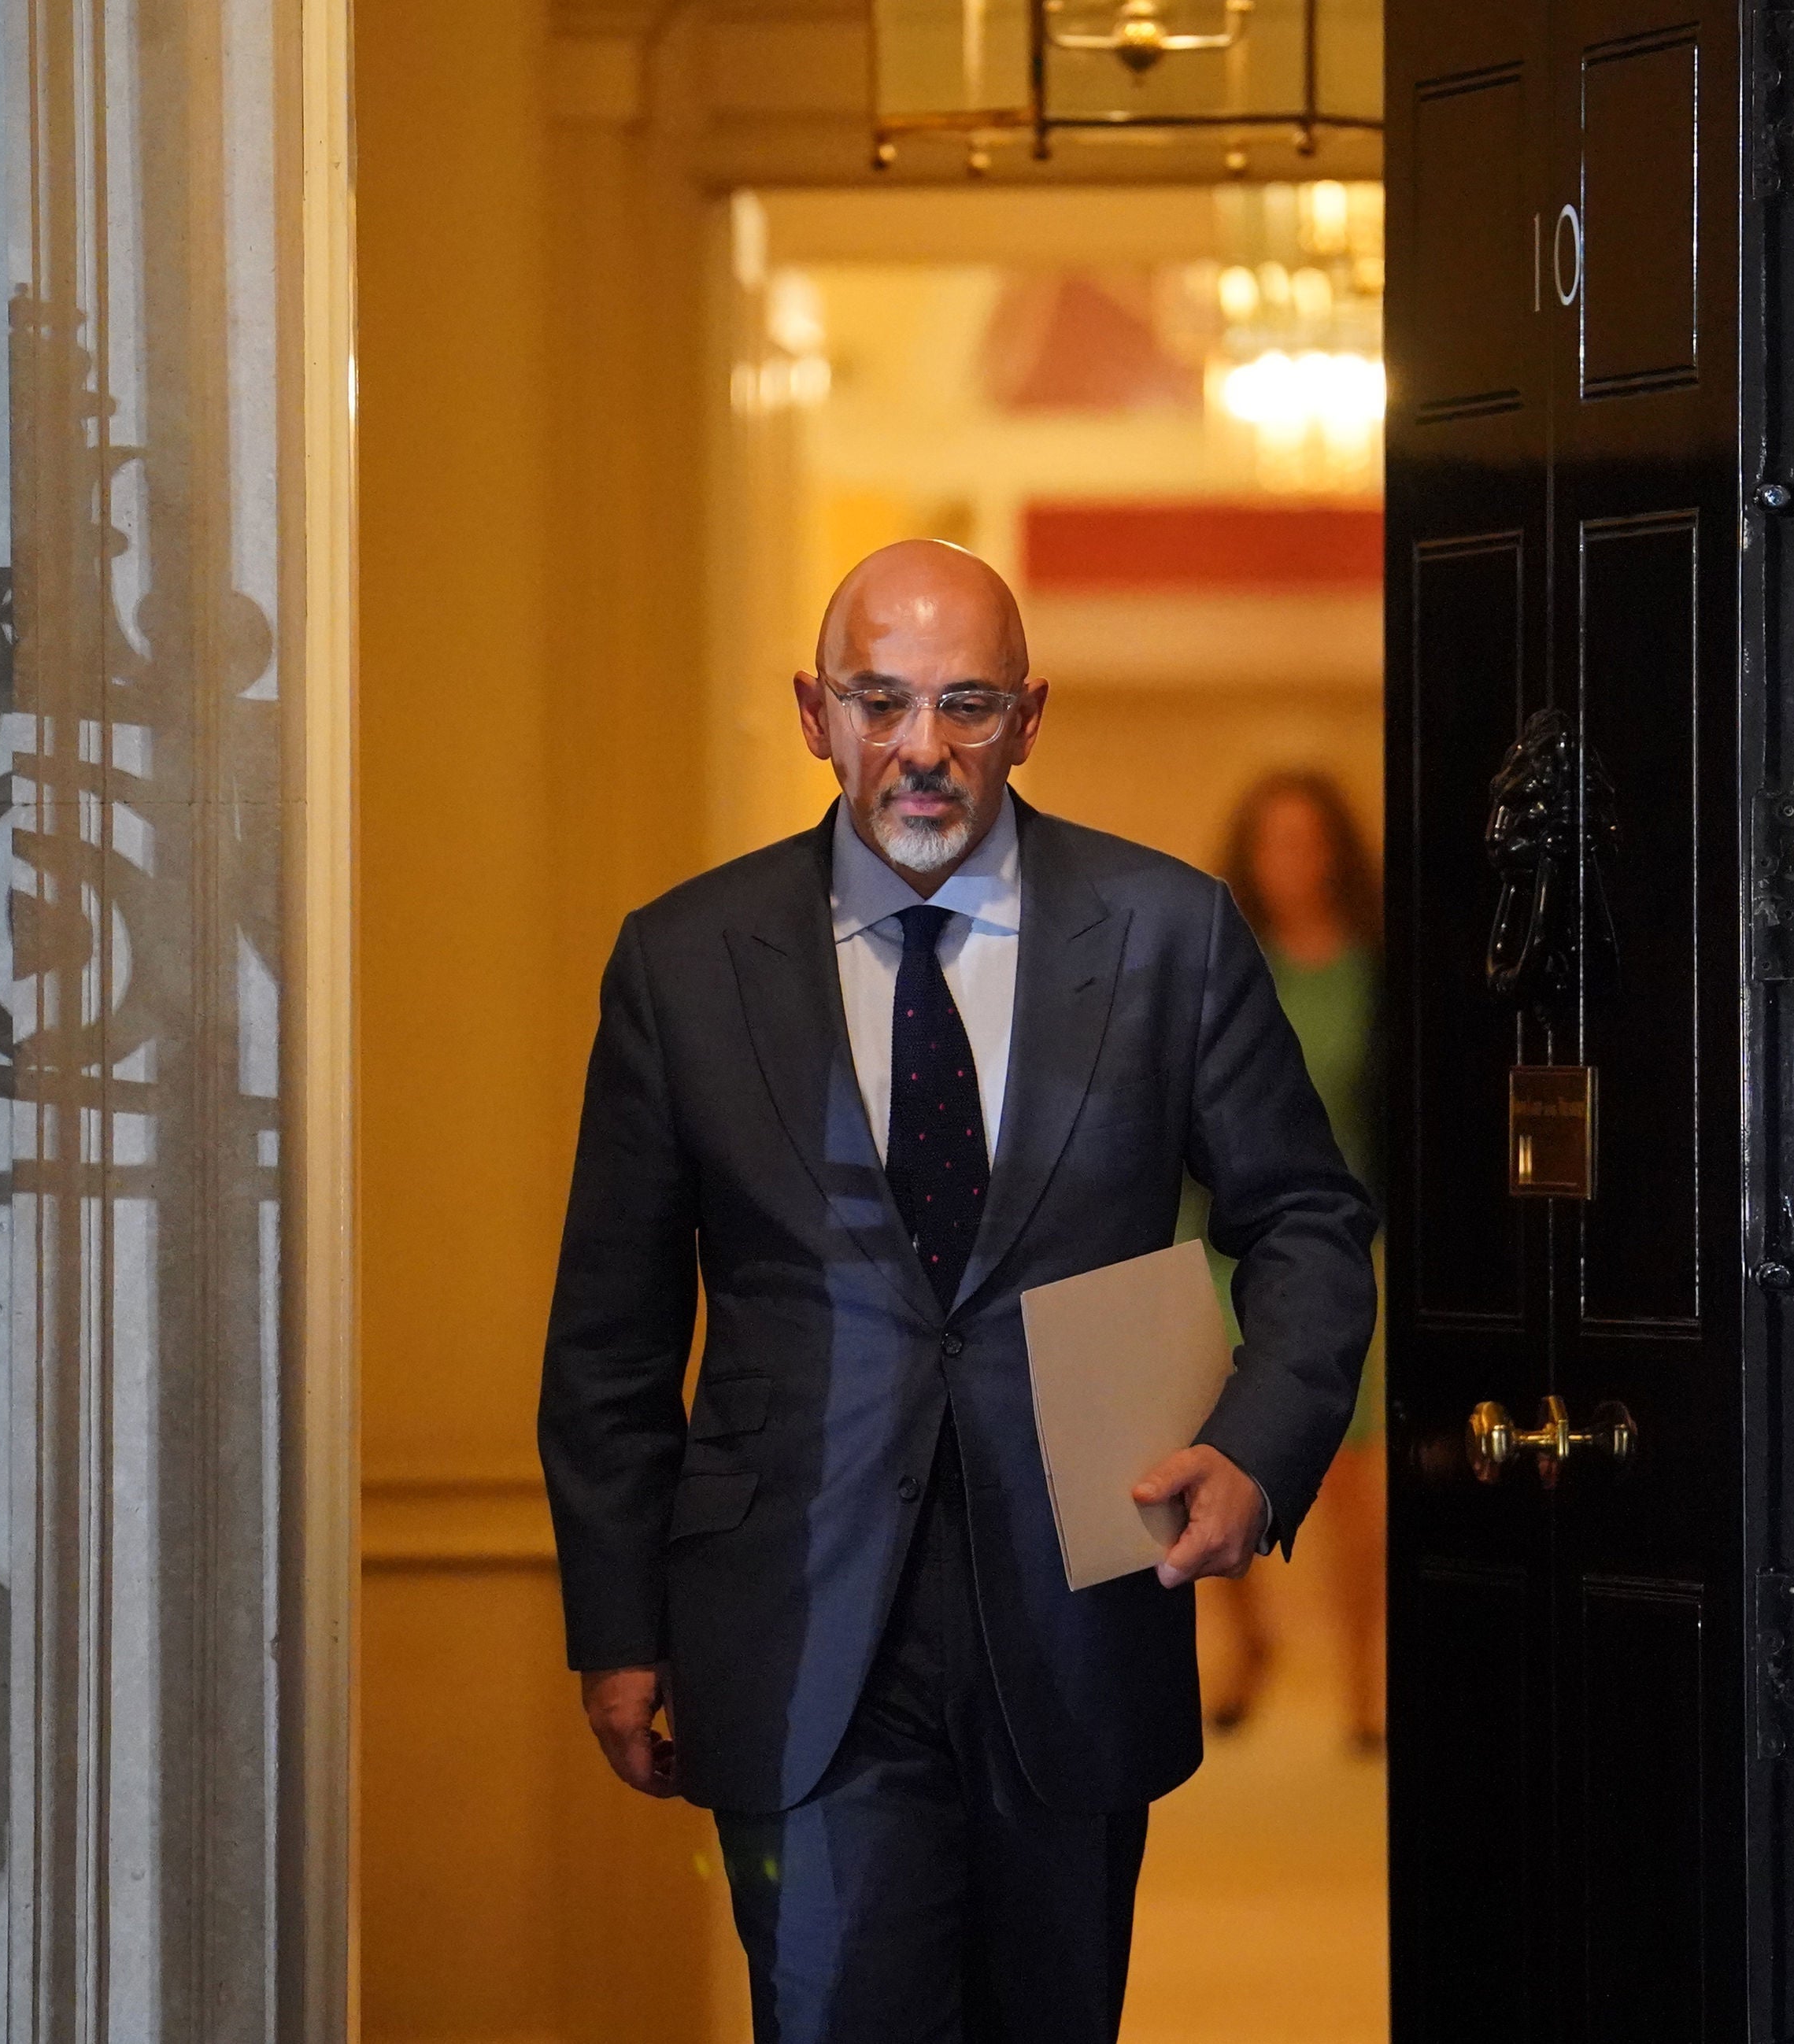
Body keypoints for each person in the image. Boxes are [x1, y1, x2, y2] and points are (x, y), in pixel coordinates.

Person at [537, 539, 1378, 2043]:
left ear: (1030, 715)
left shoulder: (1167, 933)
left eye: (968, 703)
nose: (923, 747)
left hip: (1077, 1596)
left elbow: (1308, 1217)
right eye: (882, 699)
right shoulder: (680, 962)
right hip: (792, 1617)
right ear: (815, 711)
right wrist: (616, 1619)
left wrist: (1258, 1445)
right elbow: (612, 1331)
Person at [1188, 771, 1385, 1752]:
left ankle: (1367, 1676)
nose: (1292, 863)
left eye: (1309, 842)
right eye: (1273, 844)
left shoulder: (1374, 972)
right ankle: (1245, 1641)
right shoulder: (1226, 968)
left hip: (1346, 1240)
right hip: (1226, 1243)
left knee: (1355, 1479)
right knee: (1214, 1445)